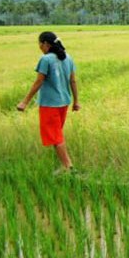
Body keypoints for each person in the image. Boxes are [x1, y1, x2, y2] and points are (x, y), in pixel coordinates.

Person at [17, 31, 80, 174]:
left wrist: (24, 102)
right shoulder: (68, 58)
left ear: (46, 44)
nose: (39, 47)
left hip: (50, 104)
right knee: (56, 135)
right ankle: (64, 165)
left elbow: (39, 81)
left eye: (39, 44)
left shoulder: (46, 60)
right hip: (64, 103)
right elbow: (73, 81)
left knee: (56, 137)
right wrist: (76, 101)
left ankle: (68, 167)